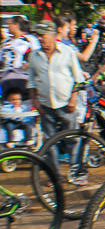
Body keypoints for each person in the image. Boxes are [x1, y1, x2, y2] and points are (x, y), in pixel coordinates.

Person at [27, 21, 86, 182]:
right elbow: (31, 81)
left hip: (67, 104)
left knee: (72, 140)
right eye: (38, 35)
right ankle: (55, 175)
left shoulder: (67, 52)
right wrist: (35, 100)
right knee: (49, 142)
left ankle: (75, 173)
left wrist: (73, 99)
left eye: (43, 35)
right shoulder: (34, 56)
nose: (40, 39)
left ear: (53, 35)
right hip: (46, 105)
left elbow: (78, 79)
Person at [1, 16, 40, 98]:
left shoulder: (30, 40)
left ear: (16, 25)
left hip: (23, 77)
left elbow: (38, 56)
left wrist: (28, 65)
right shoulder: (6, 42)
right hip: (6, 78)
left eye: (9, 24)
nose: (7, 27)